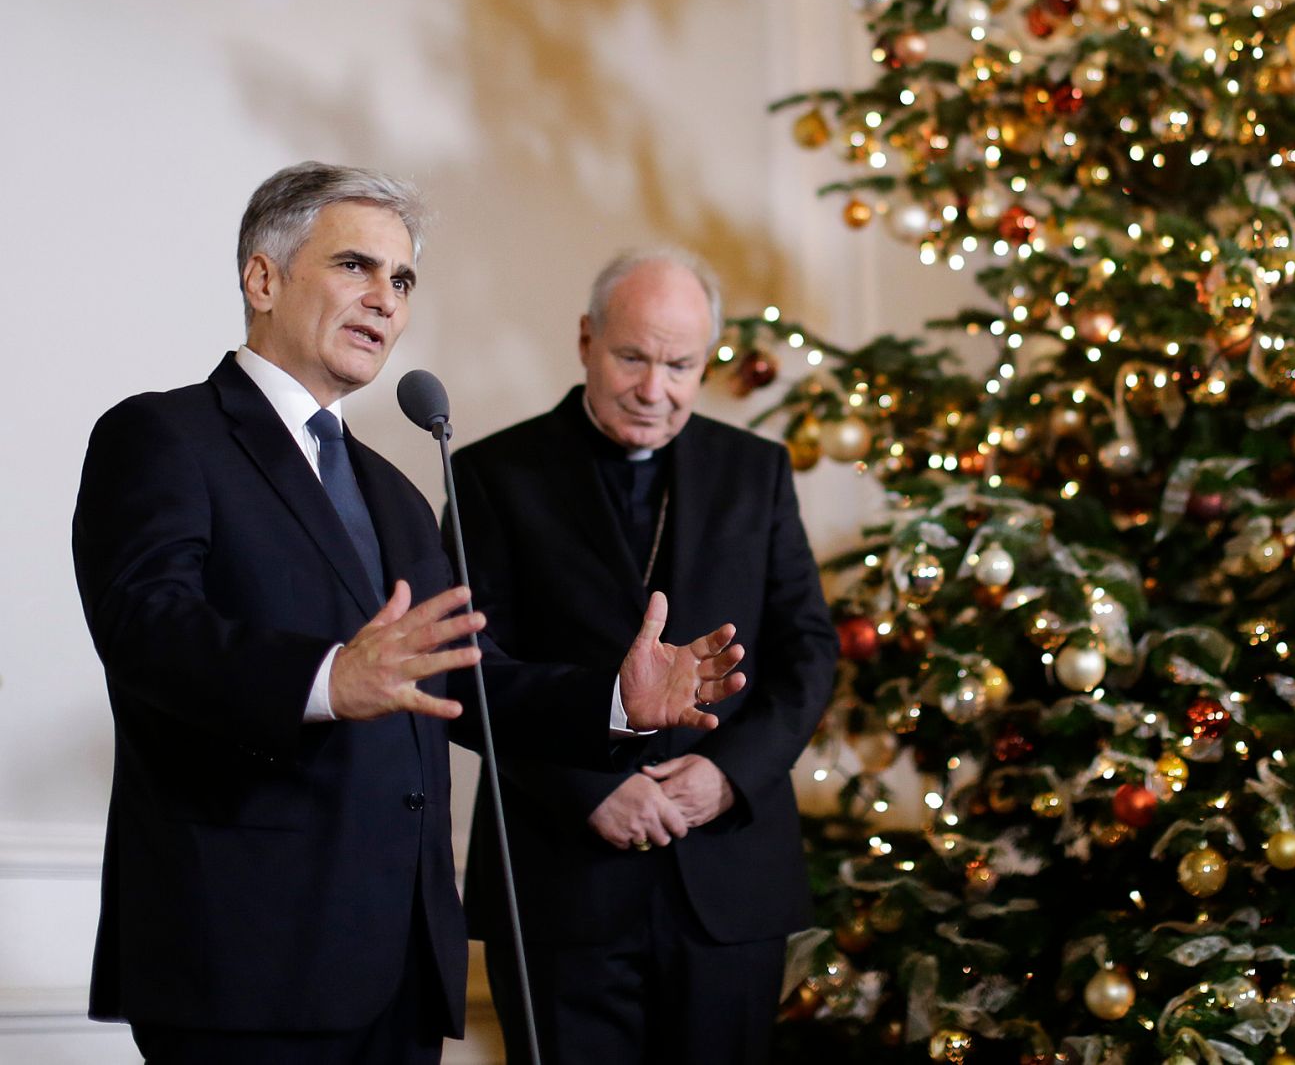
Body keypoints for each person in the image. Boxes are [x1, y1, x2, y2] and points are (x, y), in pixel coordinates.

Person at [71, 163, 745, 1065]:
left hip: (396, 955)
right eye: (356, 266)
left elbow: (462, 680)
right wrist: (324, 679)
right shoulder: (164, 435)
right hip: (243, 948)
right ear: (262, 279)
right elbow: (146, 630)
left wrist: (611, 704)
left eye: (403, 279)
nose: (386, 300)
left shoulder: (390, 490)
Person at [453, 247, 837, 1065]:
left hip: (726, 879)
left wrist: (725, 775)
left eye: (680, 365)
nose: (654, 389)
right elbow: (469, 668)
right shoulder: (492, 475)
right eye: (631, 357)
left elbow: (806, 650)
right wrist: (593, 787)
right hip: (563, 876)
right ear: (587, 338)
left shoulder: (756, 470)